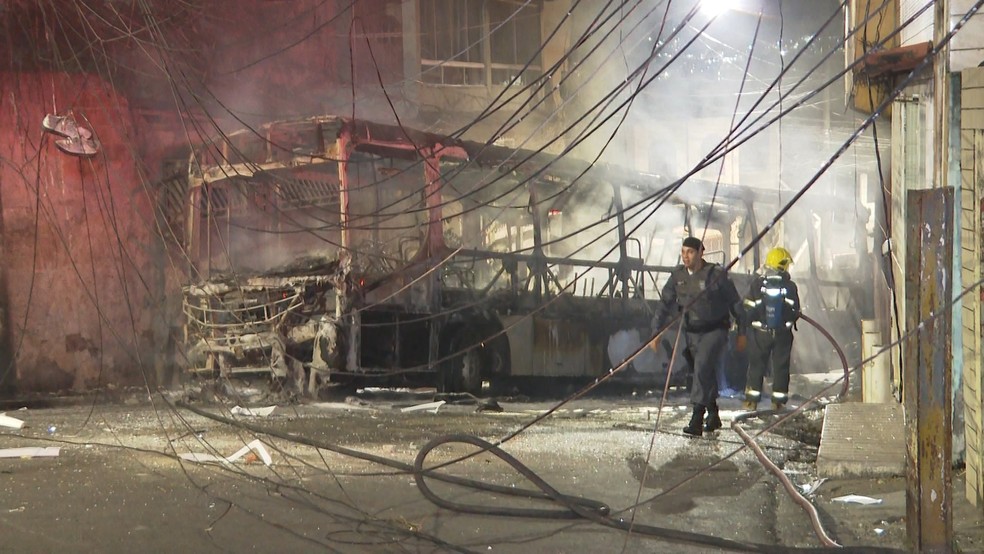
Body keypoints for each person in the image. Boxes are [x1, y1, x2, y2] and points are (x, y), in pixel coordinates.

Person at [651, 236, 744, 437]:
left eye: (691, 252)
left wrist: (742, 333)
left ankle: (697, 418)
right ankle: (713, 413)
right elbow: (664, 304)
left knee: (702, 365)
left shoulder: (715, 275)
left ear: (701, 253)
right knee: (702, 372)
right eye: (683, 252)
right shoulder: (678, 276)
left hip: (715, 329)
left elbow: (735, 303)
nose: (686, 256)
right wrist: (656, 332)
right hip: (692, 332)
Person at [742, 247, 801, 411]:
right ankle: (778, 402)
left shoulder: (757, 284)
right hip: (782, 334)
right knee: (781, 367)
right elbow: (795, 310)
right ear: (783, 265)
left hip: (760, 334)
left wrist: (747, 325)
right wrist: (787, 322)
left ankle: (751, 401)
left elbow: (748, 308)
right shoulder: (790, 286)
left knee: (756, 366)